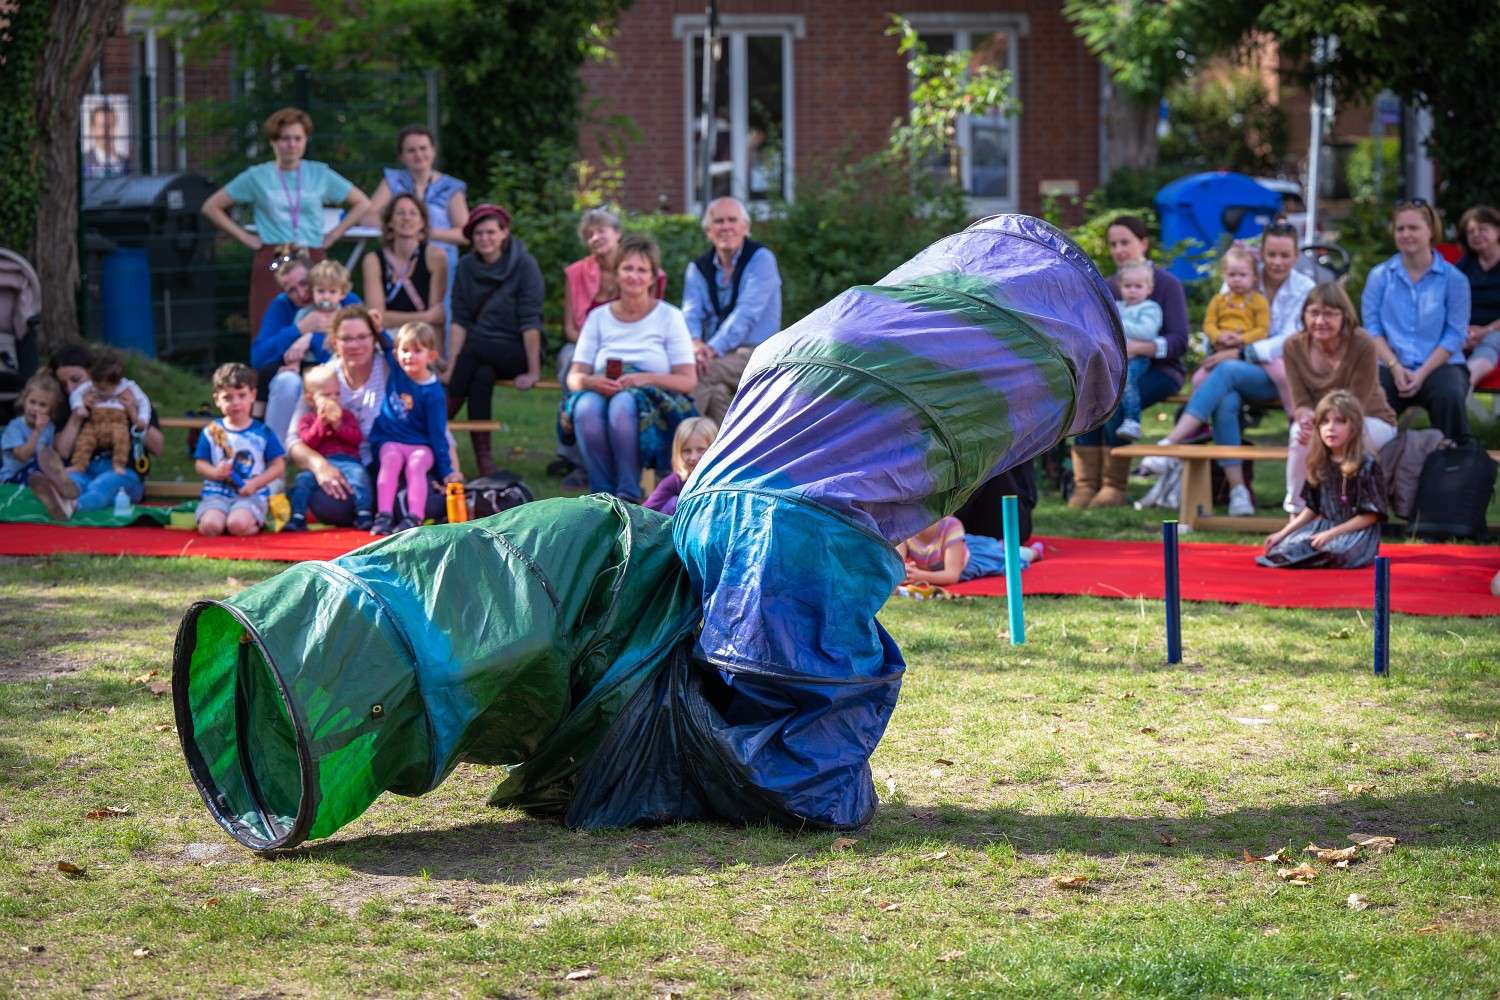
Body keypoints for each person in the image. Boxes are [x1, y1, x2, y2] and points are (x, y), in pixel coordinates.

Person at [284, 305, 460, 527]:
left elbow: (439, 426)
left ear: (374, 337)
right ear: (334, 342)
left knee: (428, 503)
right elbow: (293, 441)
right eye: (347, 338)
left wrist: (452, 474)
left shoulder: (397, 368)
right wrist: (319, 466)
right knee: (326, 505)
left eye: (362, 337)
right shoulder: (323, 377)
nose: (355, 344)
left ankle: (382, 509)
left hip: (396, 460)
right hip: (348, 466)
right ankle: (374, 509)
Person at [201, 107, 370, 335]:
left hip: (311, 254)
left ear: (306, 140)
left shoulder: (319, 174)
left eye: (297, 138)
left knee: (322, 315)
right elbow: (211, 206)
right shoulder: (257, 176)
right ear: (273, 141)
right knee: (268, 313)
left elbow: (362, 202)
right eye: (284, 138)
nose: (291, 145)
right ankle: (269, 358)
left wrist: (333, 236)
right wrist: (246, 238)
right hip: (275, 256)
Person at [562, 234, 697, 501]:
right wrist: (591, 382)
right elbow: (574, 376)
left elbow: (687, 381)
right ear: (616, 273)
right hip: (601, 388)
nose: (634, 276)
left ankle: (627, 493)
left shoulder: (669, 316)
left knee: (622, 404)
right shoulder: (598, 317)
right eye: (627, 268)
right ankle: (600, 494)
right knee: (586, 406)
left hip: (652, 399)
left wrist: (642, 379)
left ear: (653, 277)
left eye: (642, 270)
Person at [1070, 215, 1190, 508]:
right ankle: (1086, 485)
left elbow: (1179, 341)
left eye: (1125, 242)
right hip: (1114, 368)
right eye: (1113, 244)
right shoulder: (1109, 287)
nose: (1119, 250)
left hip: (1161, 370)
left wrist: (1141, 348)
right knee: (1087, 398)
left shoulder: (1167, 285)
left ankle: (1114, 487)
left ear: (1143, 243)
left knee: (1115, 400)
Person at [1281, 283, 1398, 514]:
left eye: (1329, 314)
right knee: (1299, 435)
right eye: (1314, 313)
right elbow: (1300, 402)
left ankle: (1347, 511)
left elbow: (1355, 404)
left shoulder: (1363, 343)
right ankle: (1297, 510)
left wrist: (1321, 426)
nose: (1320, 321)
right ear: (1303, 315)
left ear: (1344, 316)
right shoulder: (1293, 346)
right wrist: (1307, 419)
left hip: (1368, 419)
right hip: (1322, 422)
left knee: (1336, 437)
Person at [1361, 199, 1472, 443]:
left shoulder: (1455, 279)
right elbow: (1372, 330)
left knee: (1449, 395)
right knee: (1369, 400)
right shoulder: (1379, 277)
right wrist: (1395, 366)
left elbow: (1455, 334)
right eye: (1400, 228)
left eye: (1413, 228)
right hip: (1389, 364)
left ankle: (1454, 459)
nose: (1406, 234)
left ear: (1430, 230)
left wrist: (1421, 373)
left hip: (1440, 365)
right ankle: (1372, 463)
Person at [447, 203, 544, 476]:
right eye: (478, 233)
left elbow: (531, 320)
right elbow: (460, 318)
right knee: (481, 375)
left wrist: (533, 371)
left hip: (518, 348)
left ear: (504, 233)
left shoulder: (524, 264)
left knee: (474, 350)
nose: (485, 238)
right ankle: (485, 461)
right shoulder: (466, 267)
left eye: (491, 232)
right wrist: (451, 365)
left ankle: (437, 422)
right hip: (479, 351)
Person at [362, 125, 469, 345]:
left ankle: (442, 359)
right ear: (402, 156)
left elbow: (465, 233)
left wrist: (424, 233)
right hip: (400, 256)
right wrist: (397, 228)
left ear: (433, 151)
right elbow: (369, 216)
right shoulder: (393, 181)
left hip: (441, 260)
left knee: (445, 314)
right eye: (411, 150)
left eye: (423, 148)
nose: (418, 155)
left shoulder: (451, 187)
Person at [681, 196, 782, 423]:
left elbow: (746, 314)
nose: (726, 227)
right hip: (714, 355)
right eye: (719, 221)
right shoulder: (697, 268)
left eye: (732, 220)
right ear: (708, 230)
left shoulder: (761, 259)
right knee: (717, 394)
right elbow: (690, 313)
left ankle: (678, 440)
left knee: (700, 373)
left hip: (756, 353)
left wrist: (710, 350)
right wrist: (695, 344)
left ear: (745, 227)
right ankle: (719, 445)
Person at [1258, 390, 1386, 569]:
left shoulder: (1367, 464)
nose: (1330, 428)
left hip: (1355, 531)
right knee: (1284, 549)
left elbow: (1371, 515)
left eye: (1339, 421)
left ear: (1354, 427)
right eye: (1325, 422)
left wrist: (1332, 534)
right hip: (1325, 527)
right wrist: (1282, 533)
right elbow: (1313, 508)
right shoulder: (1320, 462)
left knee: (1335, 552)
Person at [250, 251, 362, 443]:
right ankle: (275, 450)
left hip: (337, 370)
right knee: (286, 381)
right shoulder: (283, 305)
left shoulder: (344, 300)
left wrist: (311, 338)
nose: (301, 294)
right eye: (291, 290)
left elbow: (361, 343)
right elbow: (259, 357)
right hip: (299, 370)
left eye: (304, 284)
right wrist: (300, 328)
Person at [369, 321, 458, 535]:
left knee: (417, 464)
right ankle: (384, 515)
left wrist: (446, 470)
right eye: (405, 350)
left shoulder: (434, 393)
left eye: (417, 351)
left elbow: (438, 433)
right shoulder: (398, 370)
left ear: (431, 356)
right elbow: (385, 343)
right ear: (396, 353)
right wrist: (378, 328)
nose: (409, 356)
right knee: (390, 459)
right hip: (391, 439)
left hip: (420, 445)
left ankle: (414, 517)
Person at [192, 363, 286, 537]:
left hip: (251, 495)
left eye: (241, 395)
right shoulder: (212, 431)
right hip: (216, 494)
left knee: (237, 525)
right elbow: (200, 464)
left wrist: (254, 484)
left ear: (253, 395)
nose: (235, 403)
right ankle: (223, 520)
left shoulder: (263, 432)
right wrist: (215, 473)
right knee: (210, 526)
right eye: (227, 397)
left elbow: (278, 466)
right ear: (217, 400)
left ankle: (255, 522)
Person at [1235, 220, 1318, 412]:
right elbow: (1223, 317)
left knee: (1226, 373)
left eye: (1285, 255)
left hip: (1286, 371)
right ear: (1261, 253)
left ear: (1296, 257)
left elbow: (1291, 338)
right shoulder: (1241, 277)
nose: (1277, 262)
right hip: (1239, 362)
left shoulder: (1306, 288)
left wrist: (1245, 352)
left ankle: (1297, 423)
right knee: (1227, 400)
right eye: (1271, 254)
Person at [284, 364, 370, 532]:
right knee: (302, 480)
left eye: (337, 394)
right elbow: (308, 442)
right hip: (322, 463)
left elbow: (356, 439)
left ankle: (364, 513)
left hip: (348, 461)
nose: (333, 399)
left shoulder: (347, 416)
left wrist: (339, 426)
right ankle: (298, 516)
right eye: (326, 395)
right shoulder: (308, 420)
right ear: (310, 399)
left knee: (359, 475)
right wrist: (321, 424)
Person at [360, 192, 447, 338]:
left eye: (413, 213)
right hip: (386, 338)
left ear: (422, 222)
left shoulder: (436, 257)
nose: (407, 218)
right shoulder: (373, 260)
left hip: (422, 337)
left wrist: (437, 353)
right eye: (400, 213)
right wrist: (426, 317)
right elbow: (376, 317)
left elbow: (438, 317)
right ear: (389, 221)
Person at [1194, 245, 1270, 388]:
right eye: (1232, 275)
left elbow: (1263, 329)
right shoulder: (1218, 300)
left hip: (1244, 352)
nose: (1237, 279)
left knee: (1226, 377)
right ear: (1224, 275)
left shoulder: (1259, 301)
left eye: (1242, 275)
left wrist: (1241, 338)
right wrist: (1219, 336)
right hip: (1219, 347)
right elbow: (1208, 324)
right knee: (1198, 380)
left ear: (1254, 277)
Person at [64, 351, 150, 477]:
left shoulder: (128, 387)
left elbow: (144, 402)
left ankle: (119, 465)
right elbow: (76, 394)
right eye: (96, 386)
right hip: (94, 422)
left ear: (116, 382)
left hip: (117, 422)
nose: (99, 391)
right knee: (85, 440)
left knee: (121, 440)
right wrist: (79, 406)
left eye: (103, 389)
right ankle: (79, 464)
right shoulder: (91, 385)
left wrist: (142, 418)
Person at [897, 514, 1042, 587]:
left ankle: (1034, 552)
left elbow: (952, 575)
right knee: (993, 546)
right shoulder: (901, 528)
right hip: (949, 554)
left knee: (1006, 556)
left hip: (969, 561)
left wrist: (921, 576)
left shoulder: (949, 526)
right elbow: (896, 565)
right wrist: (904, 572)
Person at [1114, 261, 1164, 442]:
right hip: (1115, 358)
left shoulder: (1150, 308)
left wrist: (1118, 323)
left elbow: (1147, 332)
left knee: (1127, 380)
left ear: (1149, 289)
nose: (1132, 291)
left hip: (1138, 358)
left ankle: (1132, 420)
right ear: (1120, 287)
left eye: (1138, 286)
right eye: (1128, 286)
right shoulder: (1117, 306)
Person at [1457, 205, 1500, 386]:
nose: (1476, 234)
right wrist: (1463, 331)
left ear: (1497, 231)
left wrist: (1486, 330)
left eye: (1482, 229)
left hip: (1496, 331)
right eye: (1471, 231)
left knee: (1491, 341)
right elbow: (1451, 302)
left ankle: (1464, 383)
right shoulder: (1464, 265)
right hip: (1467, 332)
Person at [644, 416, 717, 515]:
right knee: (674, 503)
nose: (693, 457)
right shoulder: (675, 481)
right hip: (684, 524)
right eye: (687, 451)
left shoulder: (724, 478)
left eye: (701, 449)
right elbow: (645, 512)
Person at [2, 373, 60, 483]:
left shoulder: (49, 427)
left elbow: (48, 456)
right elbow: (22, 457)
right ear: (24, 401)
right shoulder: (14, 427)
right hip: (13, 478)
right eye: (32, 402)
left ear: (51, 409)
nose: (35, 408)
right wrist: (37, 432)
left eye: (42, 405)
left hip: (38, 474)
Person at [81, 103, 127, 179]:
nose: (106, 131)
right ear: (92, 129)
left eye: (110, 126)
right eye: (102, 126)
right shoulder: (83, 162)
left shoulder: (126, 162)